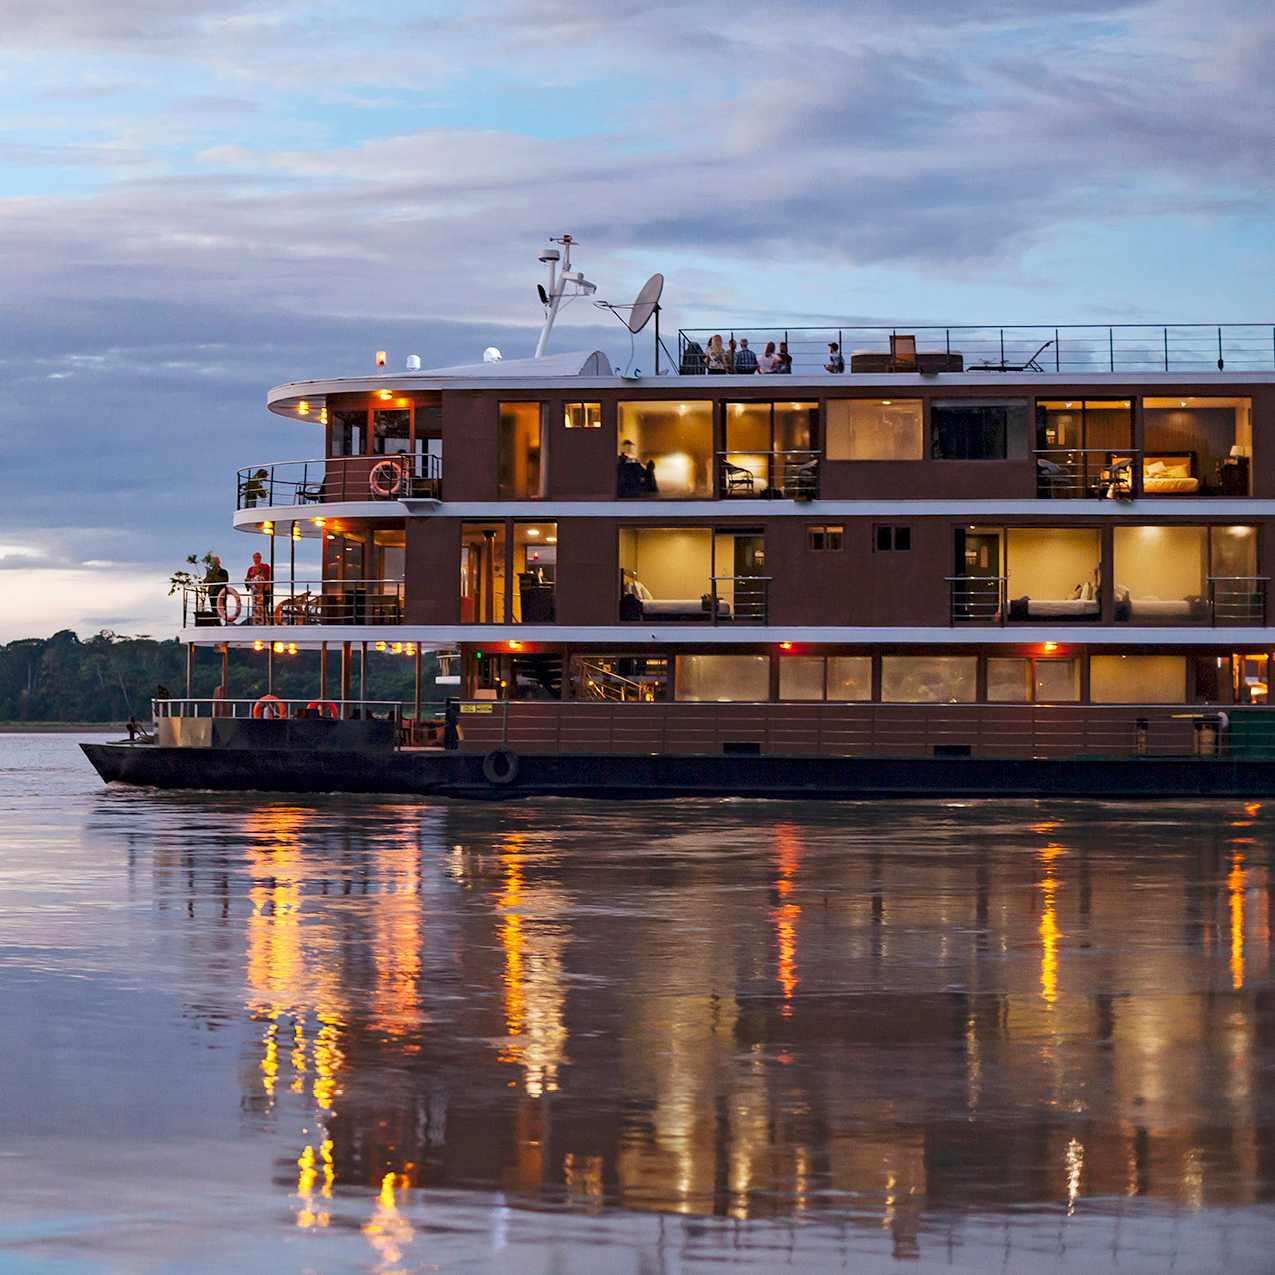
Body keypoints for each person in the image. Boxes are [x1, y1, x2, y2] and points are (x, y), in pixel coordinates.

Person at [245, 551, 272, 624]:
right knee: (255, 608)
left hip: (264, 591)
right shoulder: (250, 569)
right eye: (255, 557)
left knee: (265, 607)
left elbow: (268, 577)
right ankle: (256, 622)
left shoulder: (265, 567)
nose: (257, 559)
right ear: (253, 558)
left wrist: (267, 586)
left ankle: (266, 622)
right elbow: (247, 580)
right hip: (255, 592)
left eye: (258, 557)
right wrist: (248, 581)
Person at [203, 555, 229, 620]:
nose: (213, 563)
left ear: (219, 562)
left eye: (215, 561)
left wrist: (213, 578)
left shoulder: (224, 571)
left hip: (221, 594)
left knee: (222, 610)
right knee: (214, 610)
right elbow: (207, 582)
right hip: (212, 593)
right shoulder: (210, 572)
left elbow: (225, 580)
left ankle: (224, 622)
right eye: (212, 562)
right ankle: (216, 622)